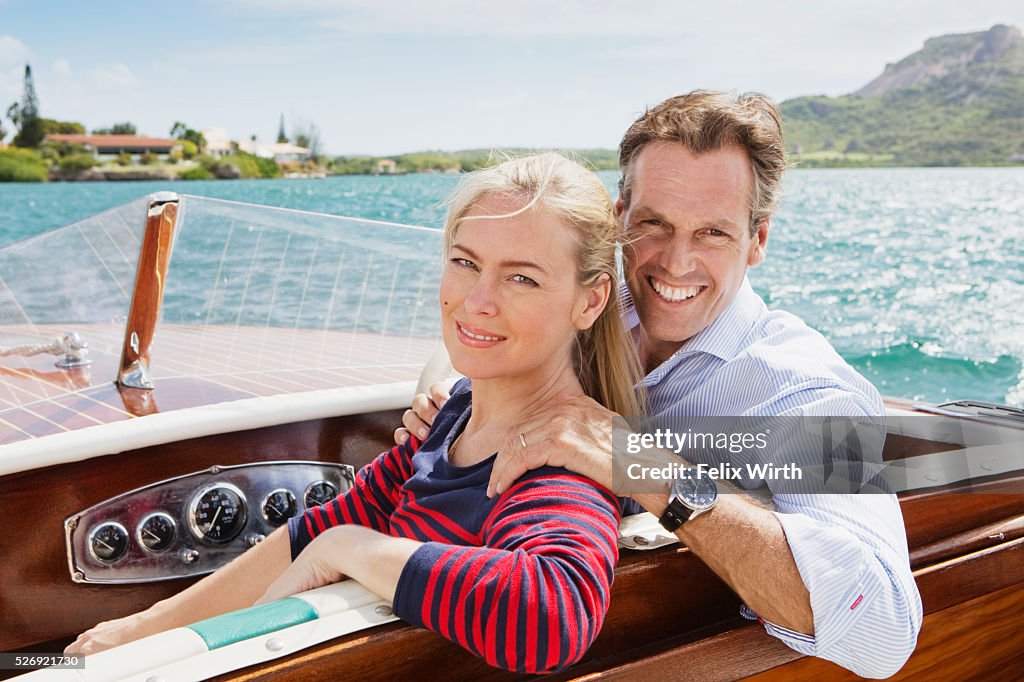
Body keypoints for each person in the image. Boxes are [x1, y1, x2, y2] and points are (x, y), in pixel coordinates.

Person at [398, 91, 924, 679]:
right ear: (621, 217)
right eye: (654, 224)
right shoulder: (596, 306)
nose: (676, 263)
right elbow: (473, 329)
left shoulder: (806, 393)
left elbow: (883, 629)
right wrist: (441, 400)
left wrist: (643, 467)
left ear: (758, 240)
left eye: (713, 234)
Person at [67, 153, 644, 675]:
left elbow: (549, 620)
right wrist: (141, 629)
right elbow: (316, 528)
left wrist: (349, 549)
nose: (477, 300)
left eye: (522, 277)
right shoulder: (455, 412)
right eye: (466, 262)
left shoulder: (562, 460)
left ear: (589, 300)